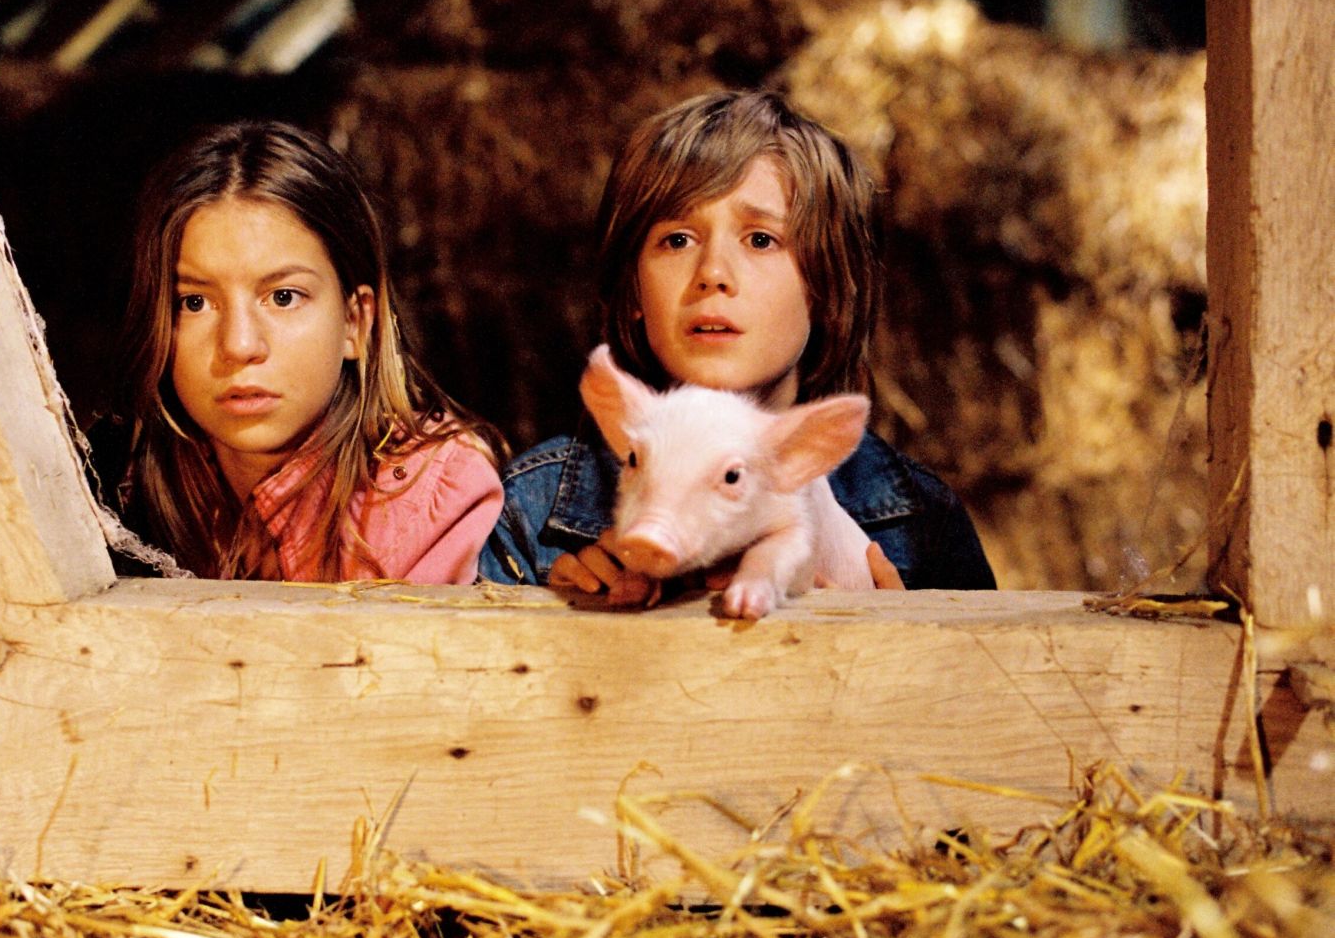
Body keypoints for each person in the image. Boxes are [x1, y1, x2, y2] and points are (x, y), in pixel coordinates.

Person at [479, 91, 995, 598]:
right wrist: (557, 616)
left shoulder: (923, 524)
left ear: (826, 291)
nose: (713, 273)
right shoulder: (530, 508)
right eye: (677, 240)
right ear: (633, 291)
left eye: (761, 239)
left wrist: (895, 633)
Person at [100, 120, 503, 583]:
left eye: (283, 297)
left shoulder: (431, 496)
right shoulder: (118, 488)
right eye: (194, 303)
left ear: (355, 321)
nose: (239, 345)